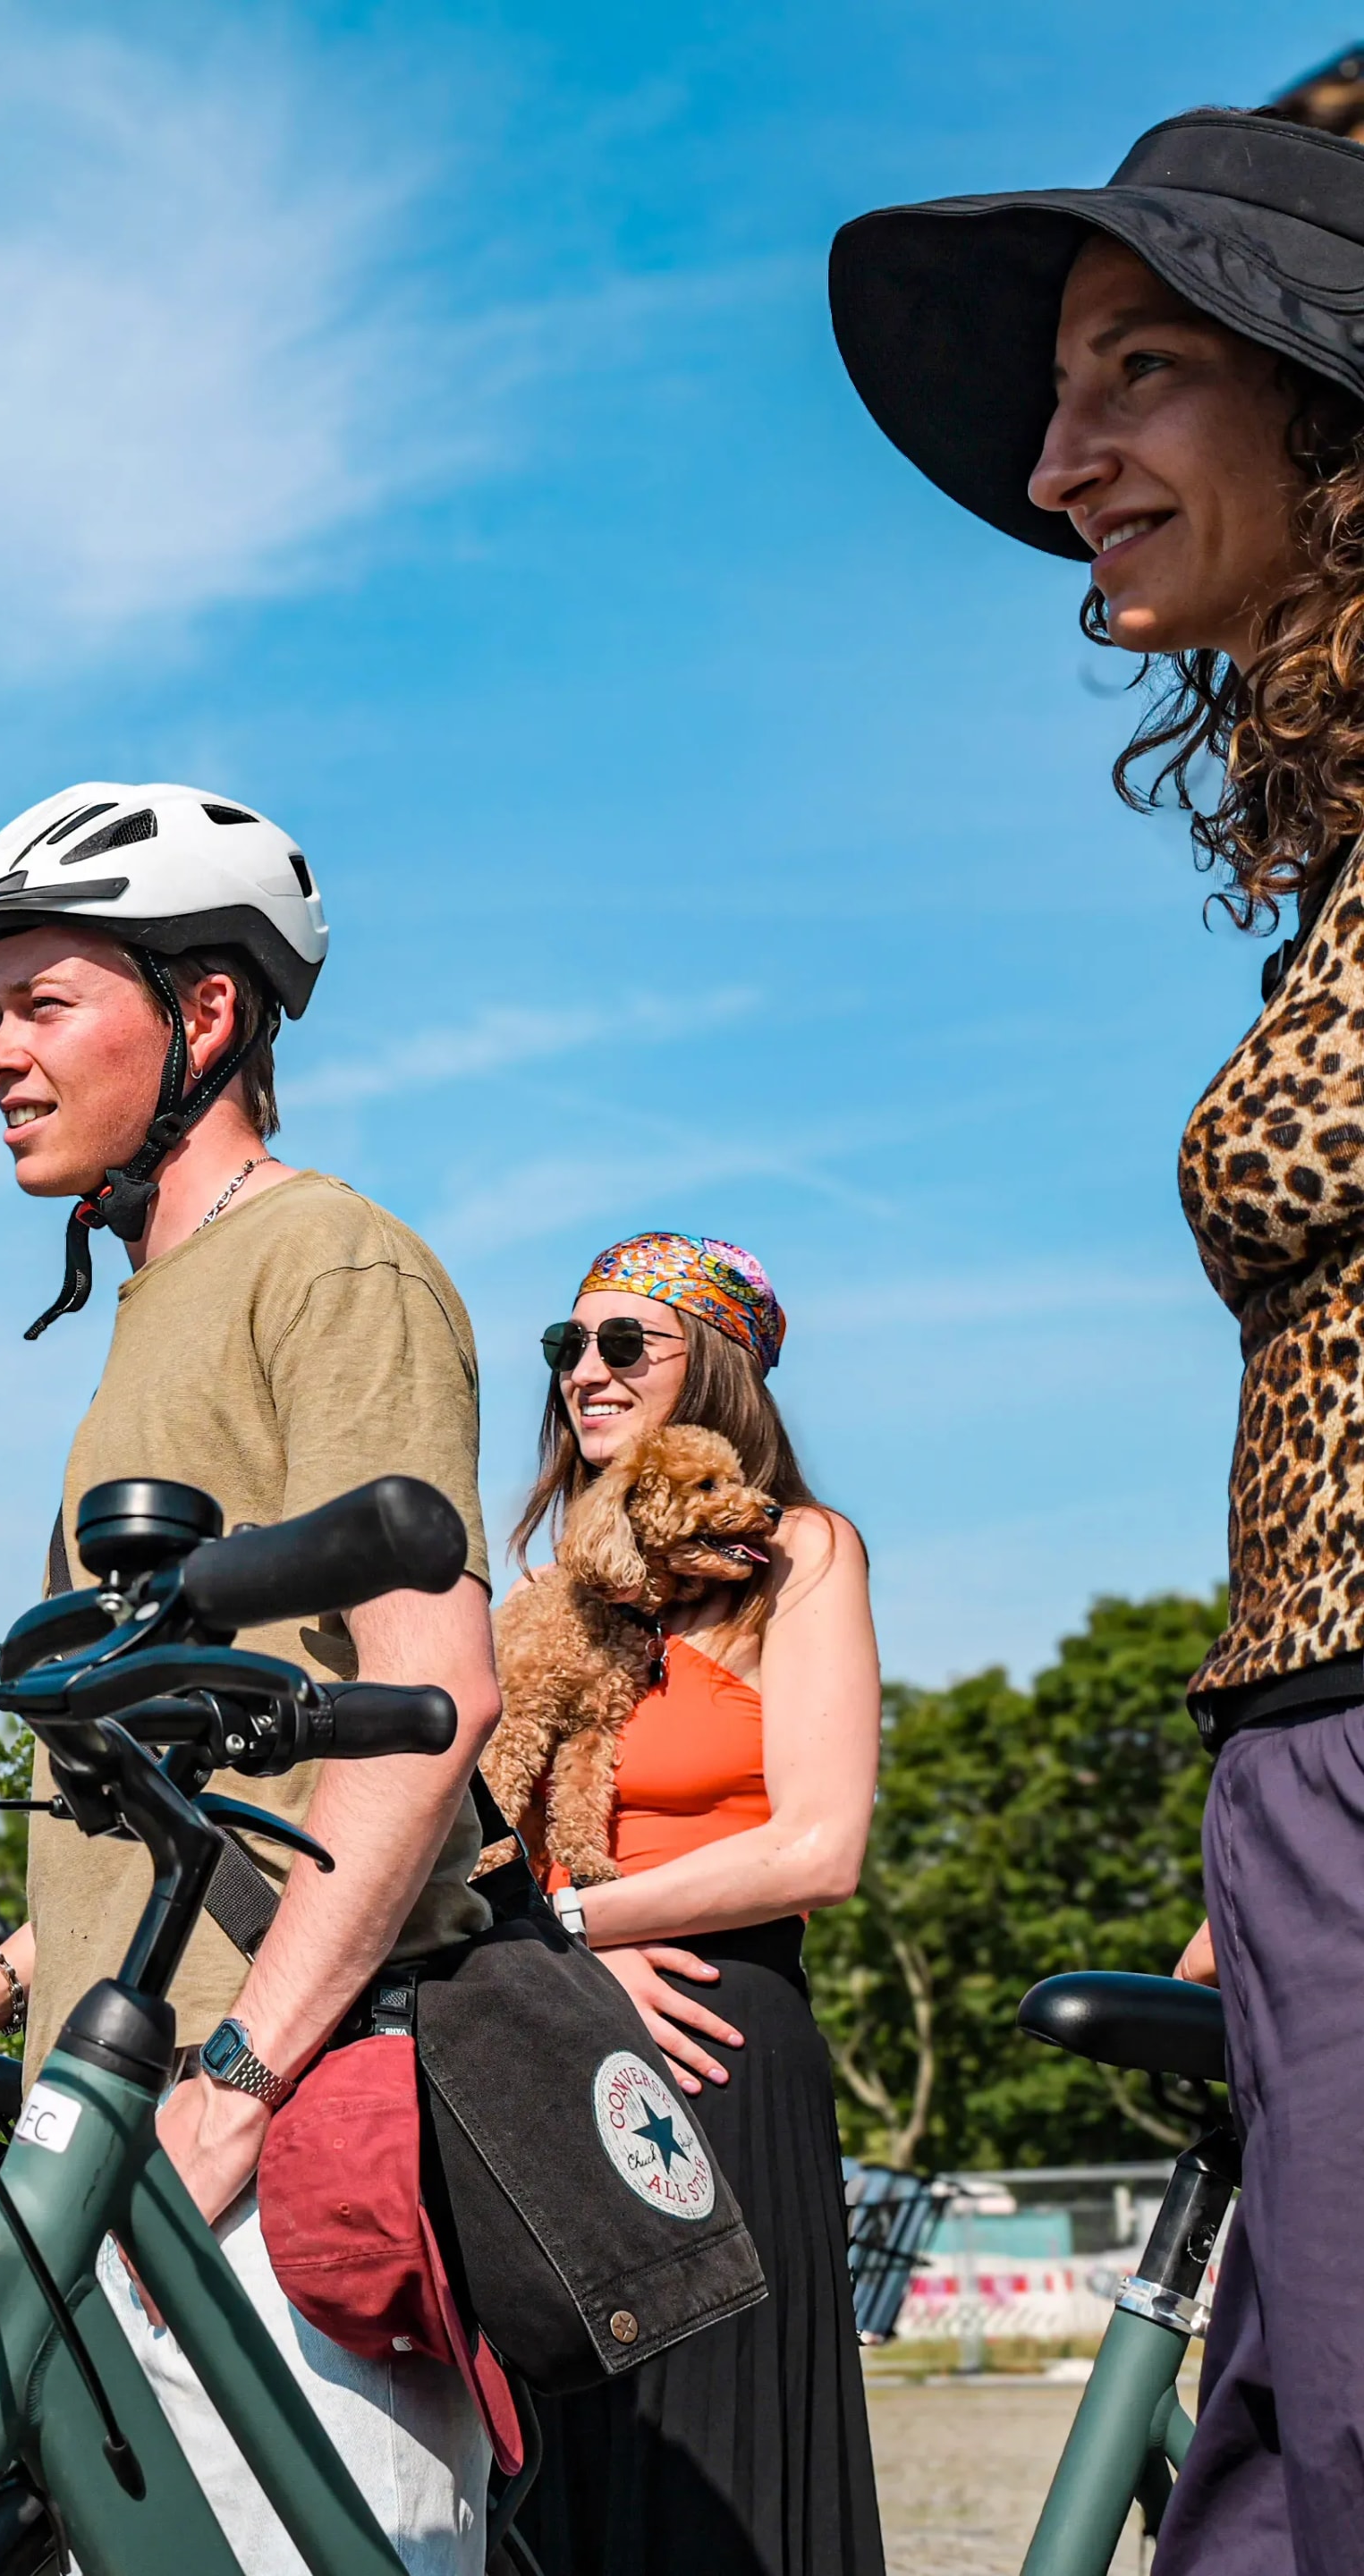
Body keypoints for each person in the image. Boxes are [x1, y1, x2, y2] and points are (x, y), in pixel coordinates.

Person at [834, 104, 1364, 2572]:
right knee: (1265, 2474)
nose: (1060, 466)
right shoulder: (1334, 852)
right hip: (1302, 1763)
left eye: (1135, 371)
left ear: (1327, 405)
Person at [0, 784, 506, 2575]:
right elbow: (209, 1776)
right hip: (128, 2103)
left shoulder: (328, 1265)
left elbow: (439, 1693)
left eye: (40, 1005)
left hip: (273, 2126)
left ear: (204, 1016)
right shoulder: (150, 1309)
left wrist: (244, 2081)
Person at [499, 1235, 885, 2576]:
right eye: (567, 1346)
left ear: (714, 1368)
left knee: (720, 2474)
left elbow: (821, 1847)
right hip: (547, 2051)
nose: (584, 1375)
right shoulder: (543, 1605)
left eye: (624, 1345)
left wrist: (576, 1929)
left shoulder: (807, 1560)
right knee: (556, 2484)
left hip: (714, 2043)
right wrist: (552, 1961)